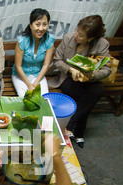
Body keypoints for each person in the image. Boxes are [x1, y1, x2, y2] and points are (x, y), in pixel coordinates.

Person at [49, 15, 111, 148]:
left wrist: (92, 75)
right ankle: (78, 131)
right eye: (77, 30)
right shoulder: (68, 38)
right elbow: (57, 60)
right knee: (84, 96)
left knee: (97, 90)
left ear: (91, 38)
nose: (77, 35)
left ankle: (70, 124)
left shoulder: (102, 44)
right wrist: (70, 70)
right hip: (68, 78)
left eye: (81, 35)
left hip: (89, 81)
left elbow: (107, 69)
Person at [12, 8, 55, 97]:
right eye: (37, 24)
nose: (41, 28)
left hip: (38, 75)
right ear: (31, 25)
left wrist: (35, 84)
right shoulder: (22, 40)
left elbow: (46, 65)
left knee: (44, 99)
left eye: (44, 24)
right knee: (26, 99)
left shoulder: (49, 40)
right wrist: (29, 85)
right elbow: (18, 66)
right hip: (21, 76)